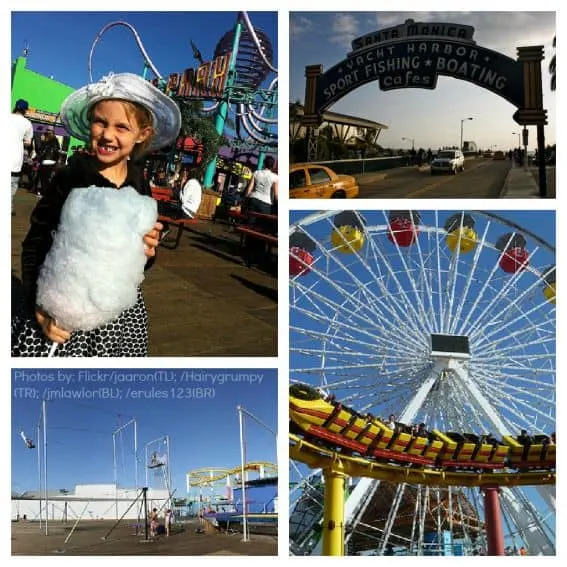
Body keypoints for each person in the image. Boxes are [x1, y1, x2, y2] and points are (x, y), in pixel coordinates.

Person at [11, 72, 181, 357]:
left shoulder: (139, 182)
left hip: (118, 313)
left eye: (121, 127)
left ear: (143, 134)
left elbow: (138, 262)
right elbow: (35, 244)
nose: (107, 134)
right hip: (63, 309)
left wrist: (147, 252)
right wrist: (39, 309)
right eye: (100, 122)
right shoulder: (71, 177)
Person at [242, 156, 278, 266]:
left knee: (251, 227)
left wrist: (246, 199)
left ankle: (248, 256)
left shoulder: (256, 173)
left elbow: (249, 189)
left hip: (254, 199)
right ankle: (258, 258)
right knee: (262, 230)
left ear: (264, 163)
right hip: (265, 203)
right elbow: (276, 194)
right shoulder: (275, 177)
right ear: (273, 165)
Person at [10, 98, 34, 214]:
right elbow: (28, 142)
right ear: (25, 110)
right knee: (12, 184)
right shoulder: (27, 123)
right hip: (15, 160)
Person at [36, 127, 61, 196]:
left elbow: (41, 151)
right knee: (46, 178)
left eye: (49, 131)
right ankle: (44, 192)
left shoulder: (47, 142)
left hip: (46, 161)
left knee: (44, 178)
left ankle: (44, 193)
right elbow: (57, 152)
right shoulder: (55, 141)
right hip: (50, 161)